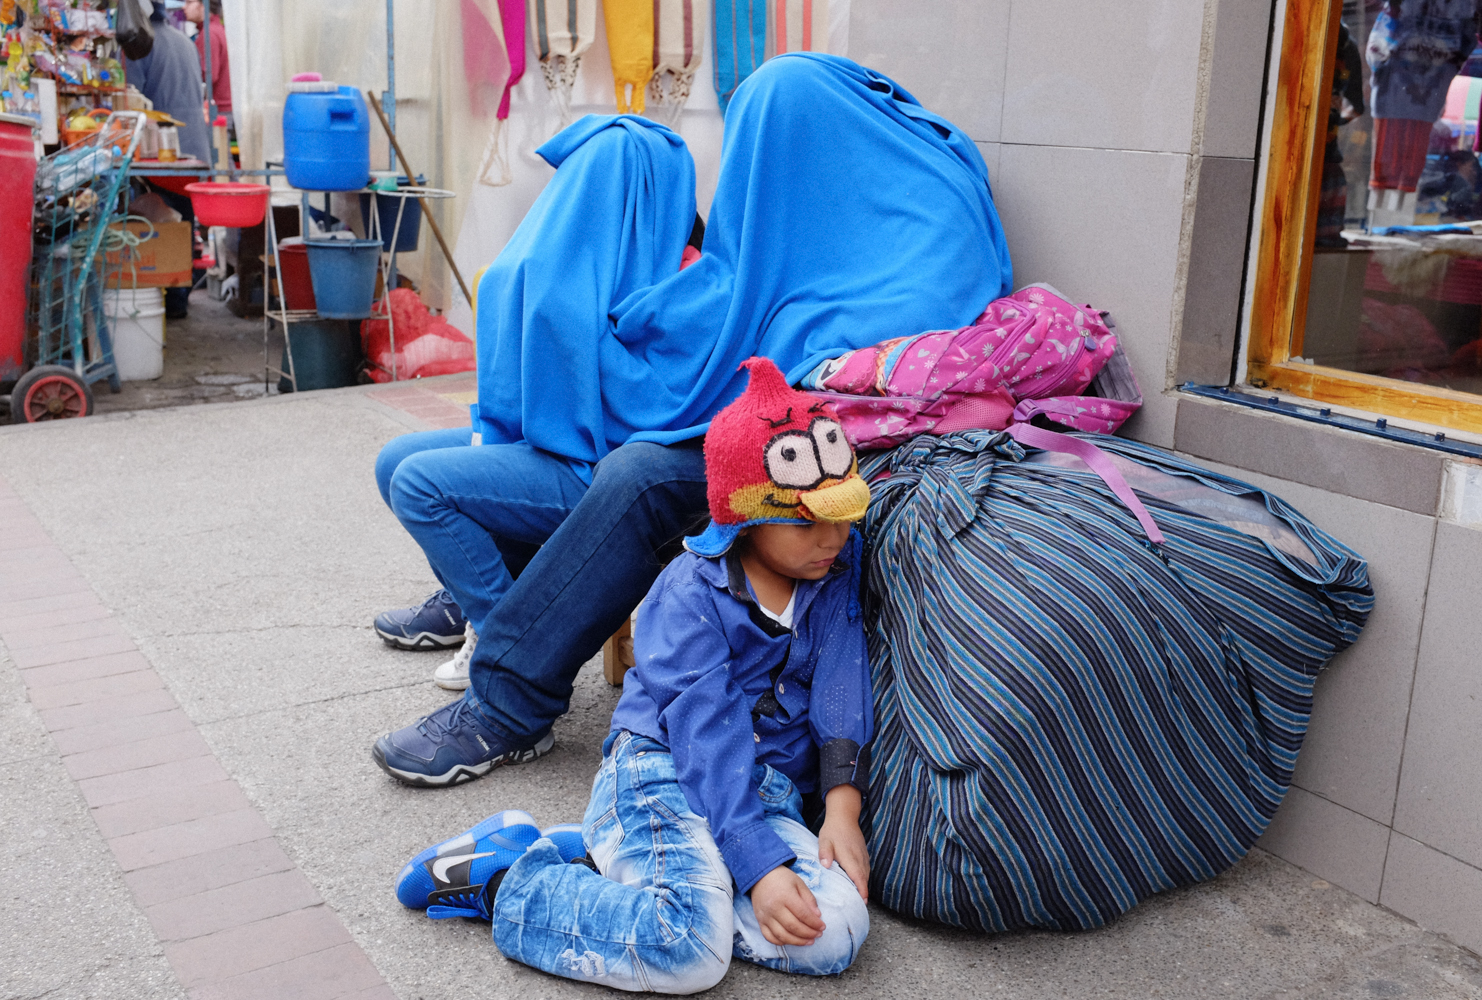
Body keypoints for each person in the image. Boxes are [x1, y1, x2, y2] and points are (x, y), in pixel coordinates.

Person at [370, 52, 1012, 786]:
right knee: (606, 459)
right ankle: (502, 623)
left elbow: (814, 336)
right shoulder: (895, 179)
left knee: (639, 476)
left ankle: (507, 707)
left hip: (845, 447)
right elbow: (740, 297)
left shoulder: (906, 217)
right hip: (795, 426)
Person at [391, 360, 873, 992]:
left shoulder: (831, 573)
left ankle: (618, 867)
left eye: (843, 513)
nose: (833, 536)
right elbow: (705, 729)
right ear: (744, 516)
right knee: (690, 950)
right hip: (662, 772)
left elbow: (842, 683)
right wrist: (757, 863)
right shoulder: (687, 593)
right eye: (808, 520)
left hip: (762, 793)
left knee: (834, 931)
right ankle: (506, 878)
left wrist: (841, 808)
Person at [122, 0, 211, 319]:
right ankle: (178, 296)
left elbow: (133, 98)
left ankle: (159, 291)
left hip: (162, 152)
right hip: (194, 150)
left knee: (154, 219)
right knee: (183, 220)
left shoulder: (140, 45)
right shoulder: (183, 42)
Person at [184, 0, 232, 134]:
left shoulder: (209, 34)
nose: (184, 7)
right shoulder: (217, 29)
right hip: (223, 107)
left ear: (203, 5)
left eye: (189, 2)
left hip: (217, 109)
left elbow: (209, 74)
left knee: (219, 152)